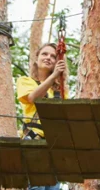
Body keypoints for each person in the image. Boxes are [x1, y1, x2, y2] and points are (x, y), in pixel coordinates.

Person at [17, 43, 67, 190]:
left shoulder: (60, 91)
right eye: (44, 54)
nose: (48, 58)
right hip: (34, 140)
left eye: (53, 56)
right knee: (37, 186)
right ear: (36, 59)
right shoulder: (26, 81)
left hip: (54, 145)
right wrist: (53, 76)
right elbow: (33, 97)